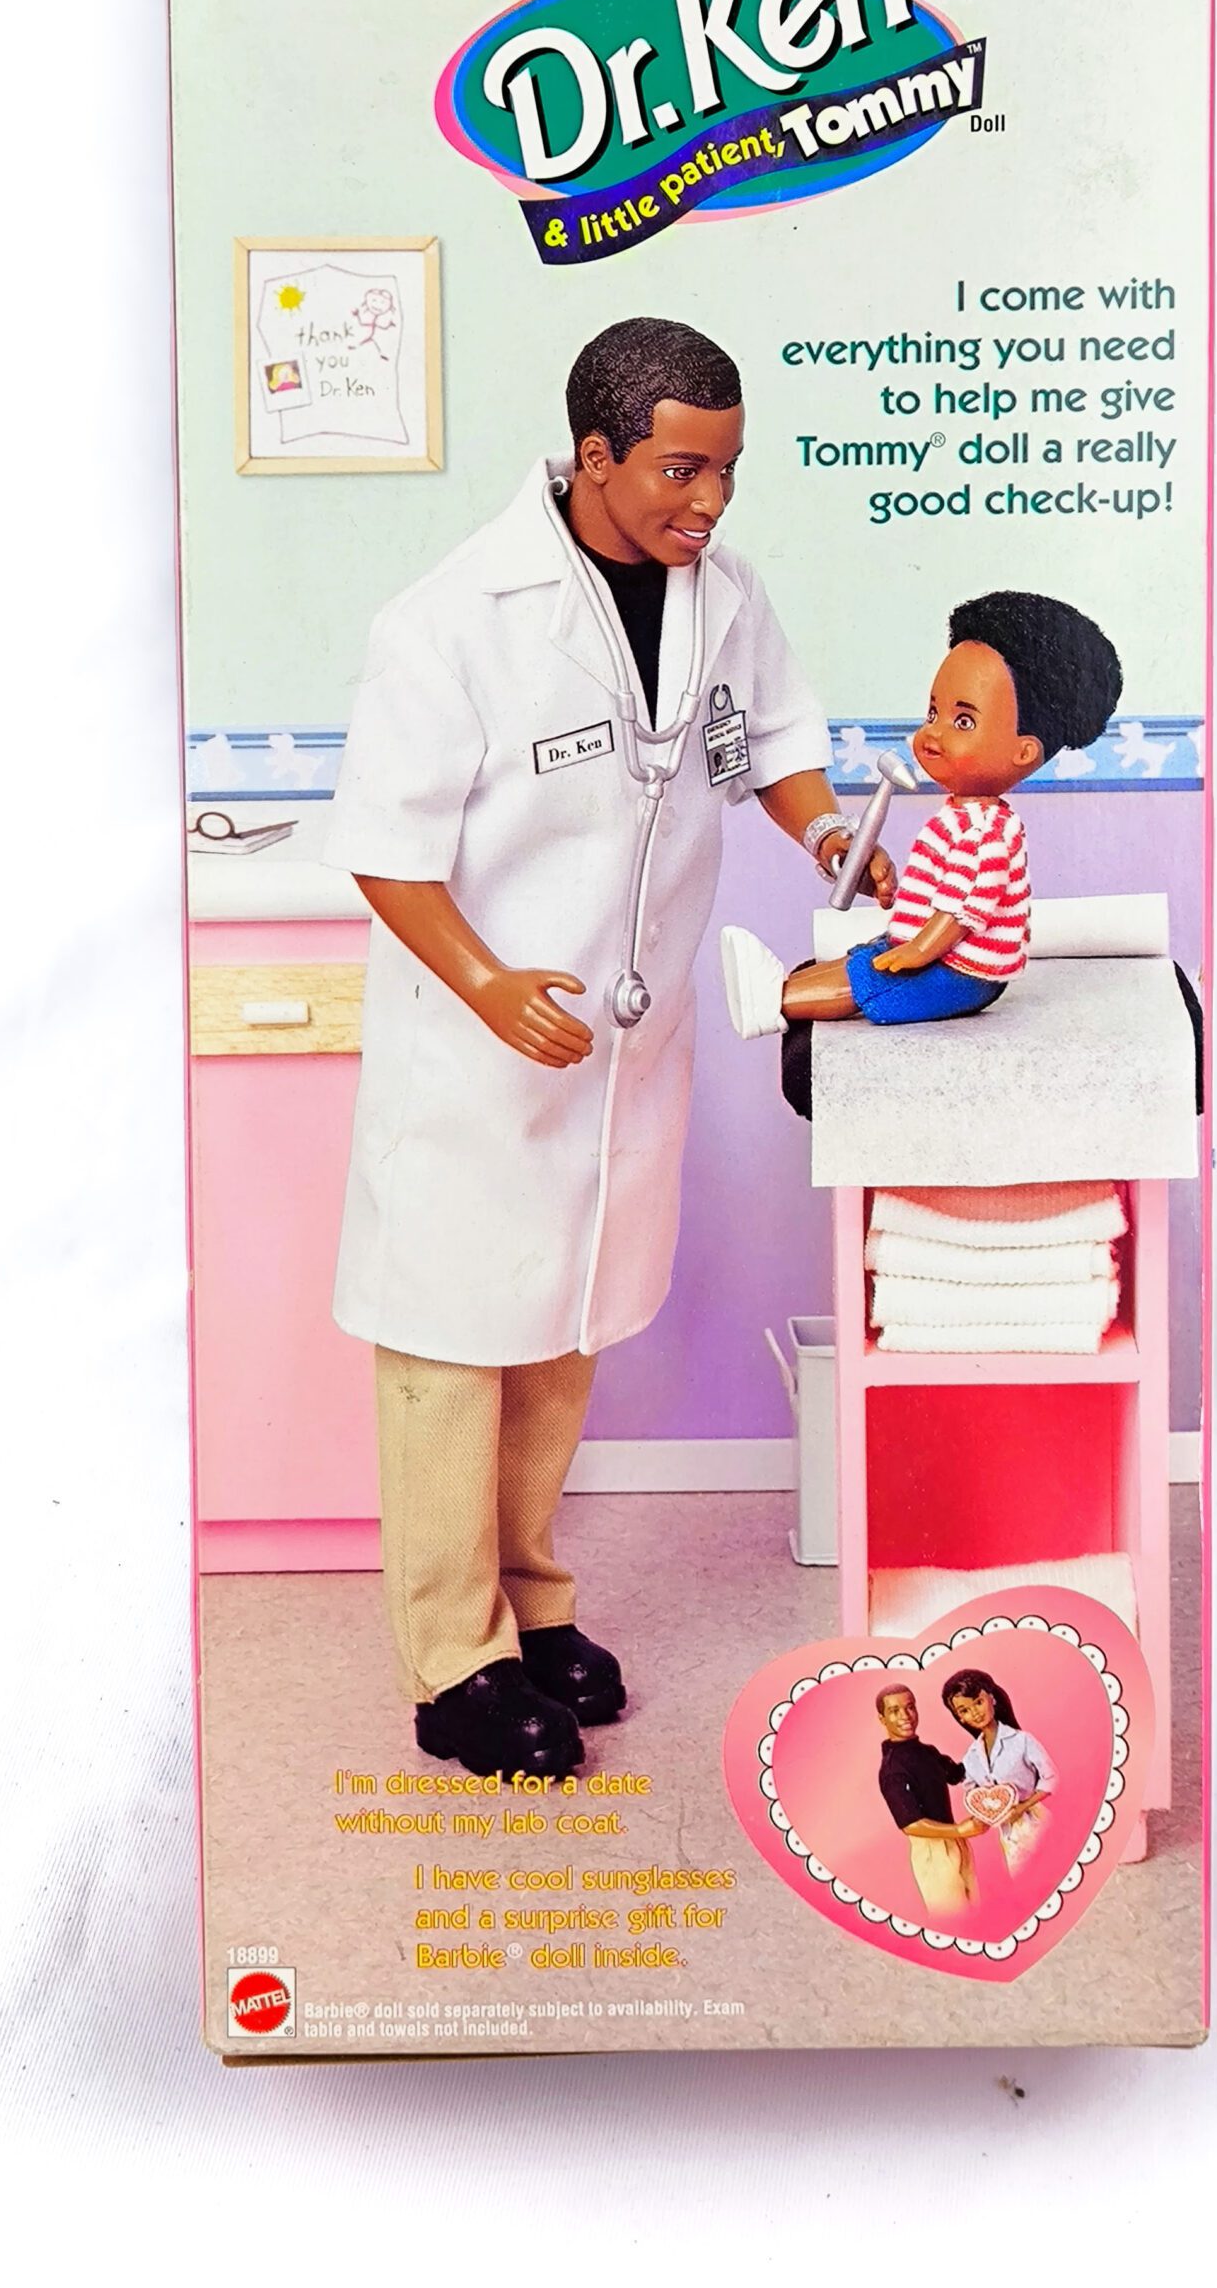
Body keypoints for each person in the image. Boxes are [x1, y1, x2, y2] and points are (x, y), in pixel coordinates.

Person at [321, 318, 895, 1782]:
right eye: (681, 470)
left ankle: (530, 1606)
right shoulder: (454, 620)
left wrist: (828, 831)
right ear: (596, 457)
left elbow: (764, 743)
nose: (711, 501)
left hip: (620, 1045)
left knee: (561, 1335)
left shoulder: (724, 596)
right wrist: (486, 984)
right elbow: (385, 847)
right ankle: (452, 1662)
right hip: (484, 1052)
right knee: (455, 1354)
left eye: (729, 470)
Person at [718, 591, 1121, 1041]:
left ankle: (774, 1001)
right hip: (935, 951)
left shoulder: (988, 831)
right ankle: (778, 987)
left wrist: (920, 950)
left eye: (963, 721)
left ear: (1023, 751)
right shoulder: (961, 817)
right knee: (863, 959)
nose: (931, 733)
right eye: (933, 713)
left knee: (873, 980)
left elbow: (963, 910)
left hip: (962, 972)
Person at [874, 1683, 988, 1914]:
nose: (905, 1716)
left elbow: (957, 1774)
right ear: (882, 1719)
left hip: (957, 1840)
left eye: (910, 1707)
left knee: (975, 1909)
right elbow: (910, 1824)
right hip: (932, 1850)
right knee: (952, 1917)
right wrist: (960, 1830)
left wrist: (985, 1738)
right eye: (894, 1711)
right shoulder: (892, 1769)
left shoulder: (927, 1752)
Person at [941, 1666, 1060, 1872]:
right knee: (1026, 1880)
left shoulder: (1021, 1741)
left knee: (1054, 1872)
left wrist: (1021, 1807)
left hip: (1038, 1824)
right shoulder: (971, 1758)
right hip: (1009, 1836)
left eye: (978, 1702)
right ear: (960, 1717)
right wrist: (984, 1815)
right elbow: (974, 1794)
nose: (975, 1713)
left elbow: (1051, 1777)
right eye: (964, 1710)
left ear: (992, 1699)